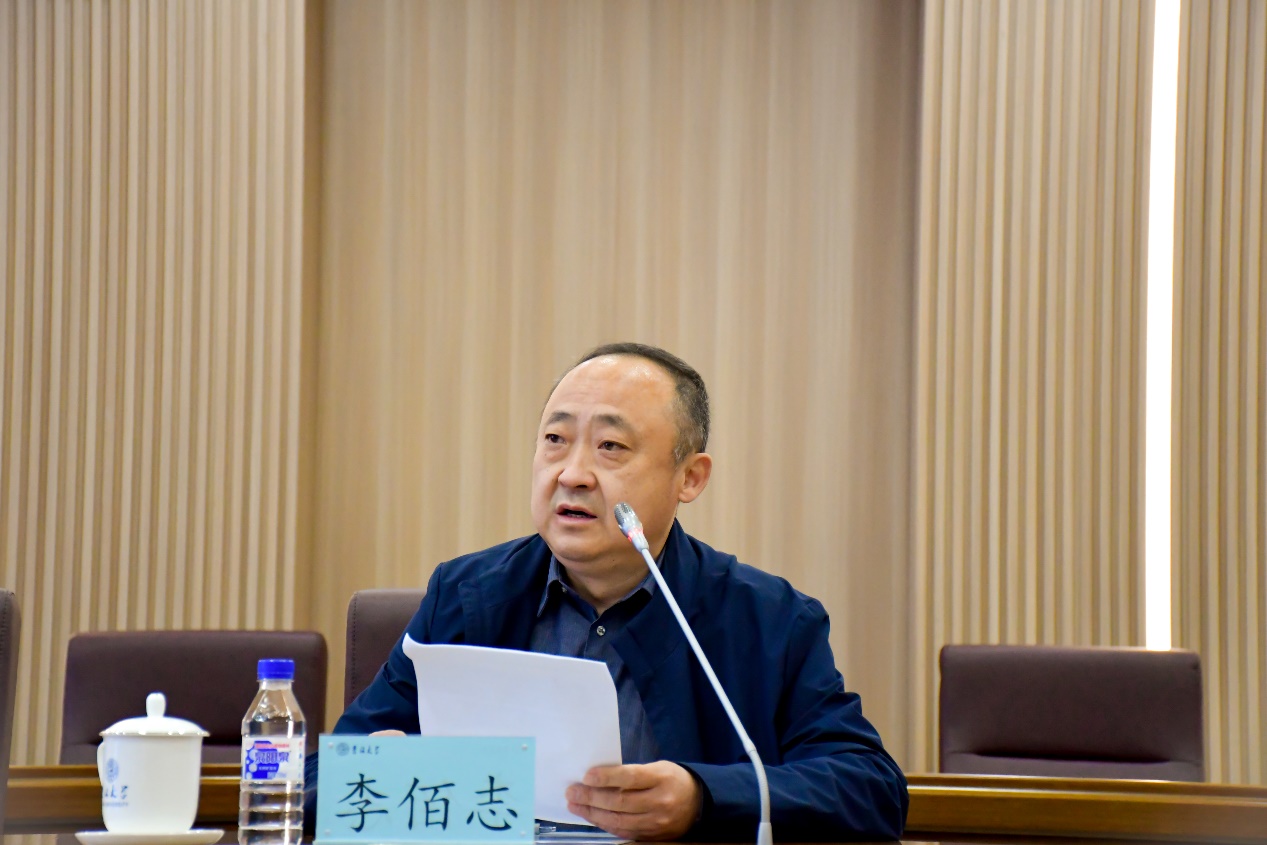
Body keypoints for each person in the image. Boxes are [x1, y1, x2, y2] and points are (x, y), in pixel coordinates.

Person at [305, 343, 907, 841]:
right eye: (555, 440)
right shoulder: (465, 595)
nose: (571, 473)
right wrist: (381, 767)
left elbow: (870, 788)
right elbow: (316, 779)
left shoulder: (768, 619)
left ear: (689, 477)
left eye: (611, 447)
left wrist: (703, 797)